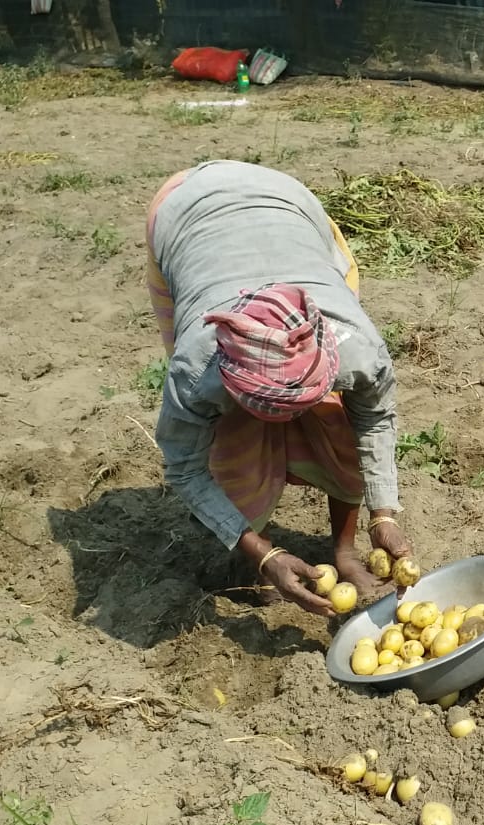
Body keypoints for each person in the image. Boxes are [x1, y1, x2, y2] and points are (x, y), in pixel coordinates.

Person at [145, 160, 412, 616]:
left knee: (336, 422)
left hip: (287, 203)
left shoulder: (356, 346)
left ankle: (344, 548)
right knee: (231, 439)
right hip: (183, 214)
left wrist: (382, 513)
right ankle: (261, 556)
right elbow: (185, 467)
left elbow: (373, 418)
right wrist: (263, 553)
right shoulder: (197, 369)